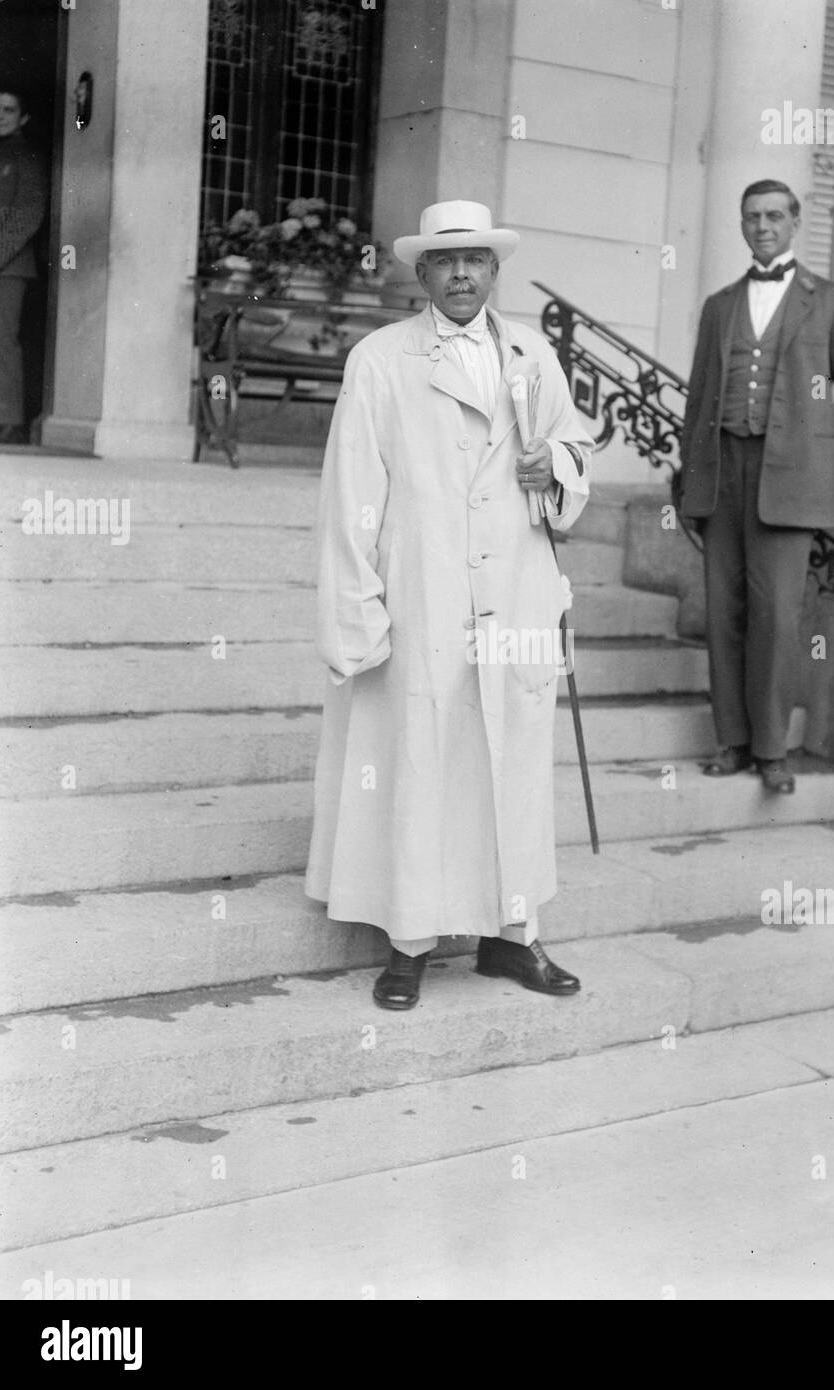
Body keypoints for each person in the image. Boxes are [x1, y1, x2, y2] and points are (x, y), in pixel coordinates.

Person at [305, 200, 593, 1010]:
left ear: (494, 271)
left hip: (514, 590)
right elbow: (351, 492)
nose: (462, 274)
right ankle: (409, 943)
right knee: (421, 758)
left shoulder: (534, 354)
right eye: (445, 261)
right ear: (421, 272)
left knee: (510, 762)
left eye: (476, 260)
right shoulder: (381, 359)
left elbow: (573, 452)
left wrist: (556, 473)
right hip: (422, 587)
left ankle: (512, 937)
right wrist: (360, 608)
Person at [678, 178, 834, 795]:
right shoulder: (719, 305)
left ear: (795, 222)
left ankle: (772, 749)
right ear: (742, 224)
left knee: (778, 618)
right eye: (752, 216)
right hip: (722, 477)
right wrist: (687, 486)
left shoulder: (830, 301)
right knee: (722, 614)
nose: (762, 226)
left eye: (774, 216)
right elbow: (698, 400)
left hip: (793, 483)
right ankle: (730, 741)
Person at [0, 86, 47, 445]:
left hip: (7, 267)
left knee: (0, 341)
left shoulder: (26, 157)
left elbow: (28, 216)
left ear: (23, 117)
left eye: (9, 110)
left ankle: (10, 423)